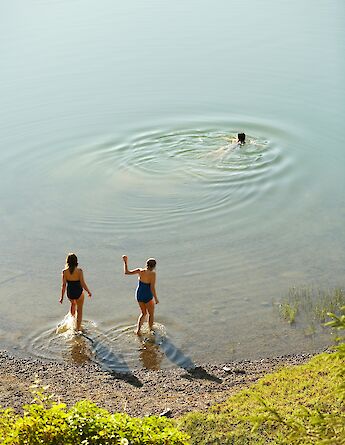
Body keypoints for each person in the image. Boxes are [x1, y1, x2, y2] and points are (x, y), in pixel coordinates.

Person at [122, 255, 159, 335]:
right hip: (147, 295)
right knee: (151, 314)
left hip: (139, 294)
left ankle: (138, 330)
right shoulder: (153, 274)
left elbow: (127, 272)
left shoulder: (140, 271)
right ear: (154, 266)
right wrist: (156, 299)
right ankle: (150, 329)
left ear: (146, 264)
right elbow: (152, 287)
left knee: (143, 313)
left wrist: (125, 262)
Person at [59, 253, 92, 332]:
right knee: (79, 311)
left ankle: (72, 321)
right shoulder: (79, 271)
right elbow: (82, 283)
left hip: (70, 293)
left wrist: (62, 297)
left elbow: (63, 285)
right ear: (76, 261)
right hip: (78, 293)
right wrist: (88, 291)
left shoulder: (64, 272)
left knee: (73, 304)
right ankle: (77, 329)